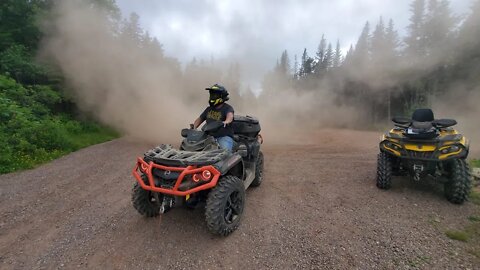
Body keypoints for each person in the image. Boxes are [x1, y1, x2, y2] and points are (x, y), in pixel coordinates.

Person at [193, 84, 235, 151]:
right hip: (208, 137)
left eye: (214, 95)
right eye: (211, 94)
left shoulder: (228, 108)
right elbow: (200, 119)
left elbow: (230, 116)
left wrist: (226, 121)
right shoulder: (209, 109)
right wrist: (193, 128)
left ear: (221, 96)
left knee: (225, 153)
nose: (212, 96)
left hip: (223, 137)